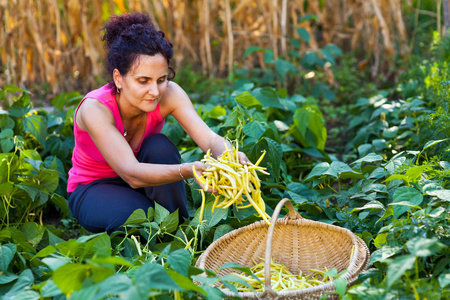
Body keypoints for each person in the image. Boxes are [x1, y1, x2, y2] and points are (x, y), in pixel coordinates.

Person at [67, 12, 249, 234]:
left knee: (159, 146)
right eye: (143, 81)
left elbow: (209, 139)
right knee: (142, 217)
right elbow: (131, 173)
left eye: (161, 80)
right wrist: (190, 169)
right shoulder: (95, 109)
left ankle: (178, 234)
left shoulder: (169, 94)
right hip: (94, 188)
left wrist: (229, 156)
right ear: (118, 78)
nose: (154, 91)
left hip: (145, 180)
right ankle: (164, 232)